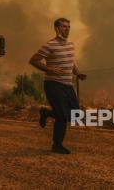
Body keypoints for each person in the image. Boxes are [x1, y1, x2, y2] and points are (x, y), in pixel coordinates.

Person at [29, 18, 87, 154]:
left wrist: (78, 74)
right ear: (57, 28)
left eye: (68, 27)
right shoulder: (49, 45)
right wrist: (49, 69)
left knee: (75, 115)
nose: (67, 29)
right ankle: (57, 145)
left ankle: (46, 113)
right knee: (61, 116)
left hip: (67, 85)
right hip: (53, 84)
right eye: (64, 26)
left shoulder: (71, 45)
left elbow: (71, 62)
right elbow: (33, 60)